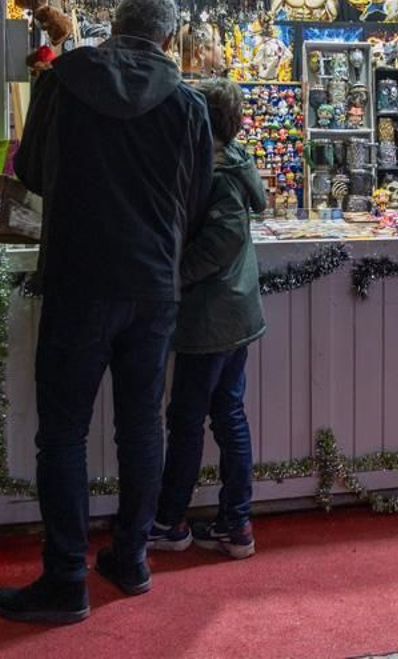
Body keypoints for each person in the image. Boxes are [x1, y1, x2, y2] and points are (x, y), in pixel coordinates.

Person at [0, 0, 213, 624]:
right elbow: (197, 199)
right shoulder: (187, 103)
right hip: (152, 285)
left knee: (61, 432)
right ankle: (132, 556)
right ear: (169, 40)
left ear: (112, 27)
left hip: (79, 276)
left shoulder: (62, 82)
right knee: (142, 426)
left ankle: (65, 578)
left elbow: (32, 170)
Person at [149, 78, 266, 560]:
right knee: (226, 414)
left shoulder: (215, 172)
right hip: (232, 311)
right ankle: (234, 521)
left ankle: (172, 519)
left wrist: (176, 274)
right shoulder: (231, 164)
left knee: (187, 419)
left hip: (211, 315)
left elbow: (222, 241)